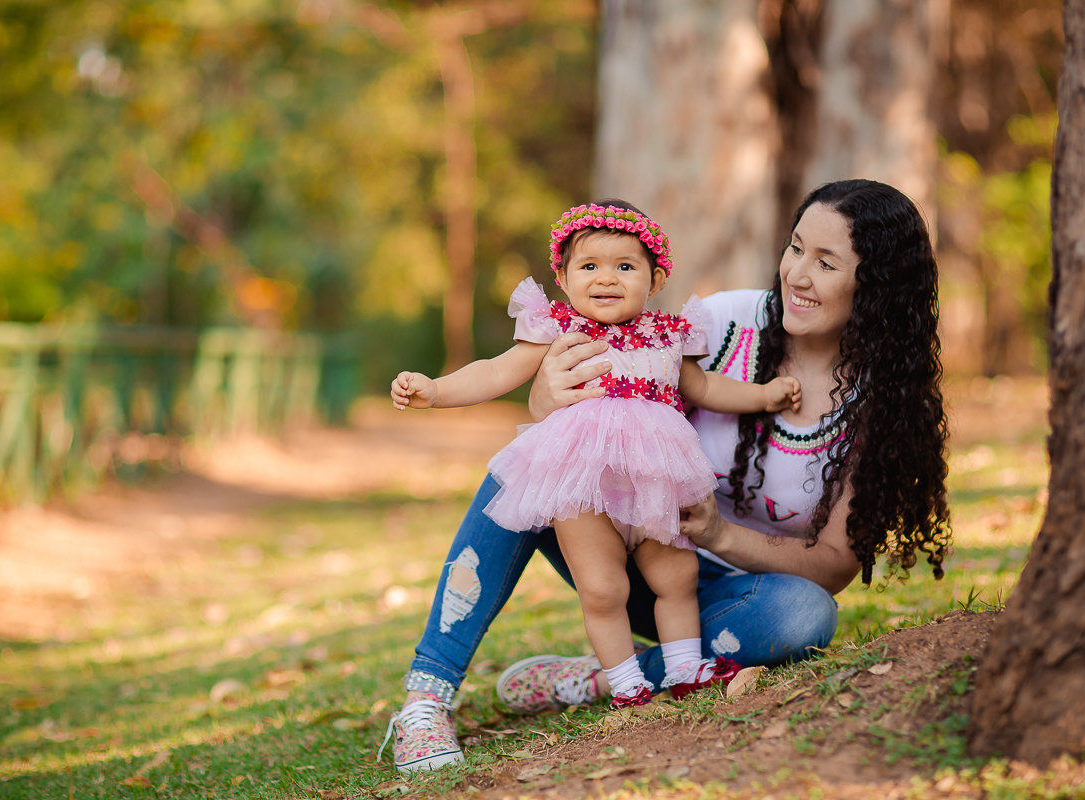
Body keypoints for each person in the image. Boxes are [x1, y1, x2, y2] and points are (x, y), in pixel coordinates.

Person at [377, 180, 950, 774]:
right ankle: (428, 694)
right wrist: (546, 402)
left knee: (805, 617)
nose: (797, 275)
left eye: (826, 262)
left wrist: (719, 535)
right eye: (796, 247)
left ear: (876, 285)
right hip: (611, 533)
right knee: (518, 472)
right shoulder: (727, 321)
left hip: (725, 595)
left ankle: (607, 678)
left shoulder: (880, 407)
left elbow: (834, 567)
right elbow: (555, 396)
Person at [384, 201, 802, 769]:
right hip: (584, 487)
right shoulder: (557, 329)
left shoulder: (667, 333)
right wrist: (434, 390)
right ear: (562, 277)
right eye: (590, 267)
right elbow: (496, 371)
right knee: (603, 587)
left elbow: (706, 388)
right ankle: (624, 680)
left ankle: (684, 668)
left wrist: (765, 396)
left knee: (673, 575)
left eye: (625, 267)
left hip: (656, 481)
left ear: (655, 279)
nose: (606, 278)